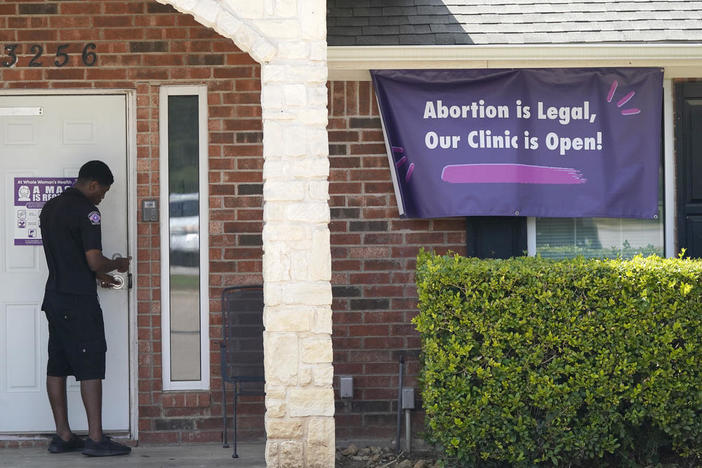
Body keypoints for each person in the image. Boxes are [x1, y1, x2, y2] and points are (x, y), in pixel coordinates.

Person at [40, 160, 132, 457]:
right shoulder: (88, 212)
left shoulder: (50, 208)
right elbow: (92, 258)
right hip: (78, 301)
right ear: (93, 185)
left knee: (57, 365)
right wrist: (116, 265)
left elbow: (68, 254)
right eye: (102, 192)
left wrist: (98, 276)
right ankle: (95, 439)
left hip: (54, 297)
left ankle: (64, 436)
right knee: (90, 365)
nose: (101, 198)